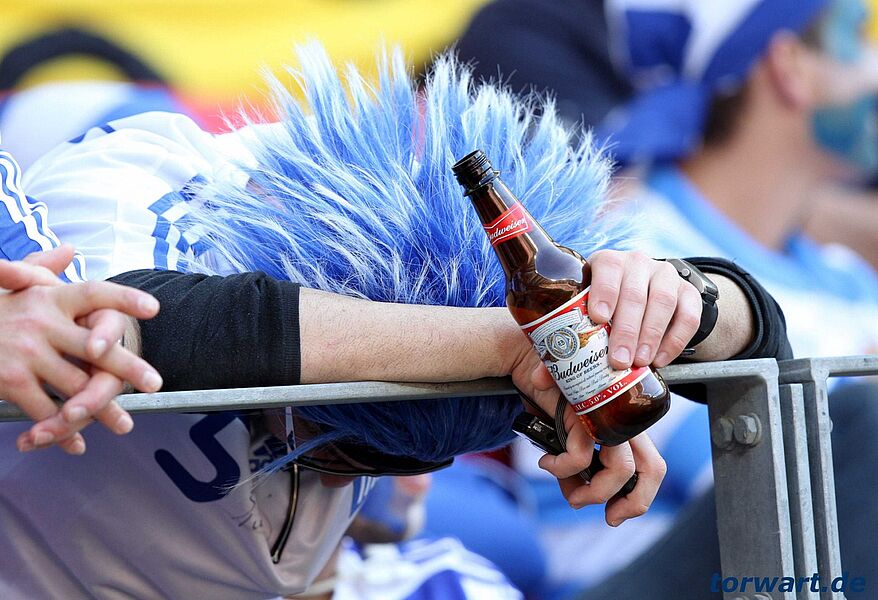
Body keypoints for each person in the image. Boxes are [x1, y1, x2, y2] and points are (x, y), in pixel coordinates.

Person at [0, 44, 786, 598]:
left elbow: (768, 351)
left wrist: (685, 304)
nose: (371, 477)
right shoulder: (132, 192)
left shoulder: (498, 270)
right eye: (339, 448)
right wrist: (512, 344)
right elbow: (168, 325)